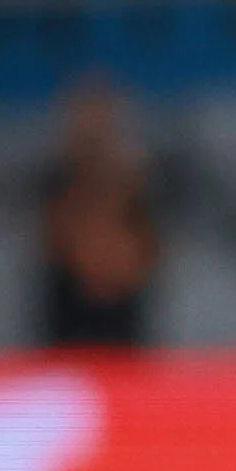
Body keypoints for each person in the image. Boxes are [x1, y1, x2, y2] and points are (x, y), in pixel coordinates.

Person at [38, 72, 159, 345]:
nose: (93, 128)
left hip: (124, 334)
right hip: (67, 331)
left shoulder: (136, 186)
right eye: (85, 117)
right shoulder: (55, 184)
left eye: (101, 116)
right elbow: (58, 247)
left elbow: (141, 256)